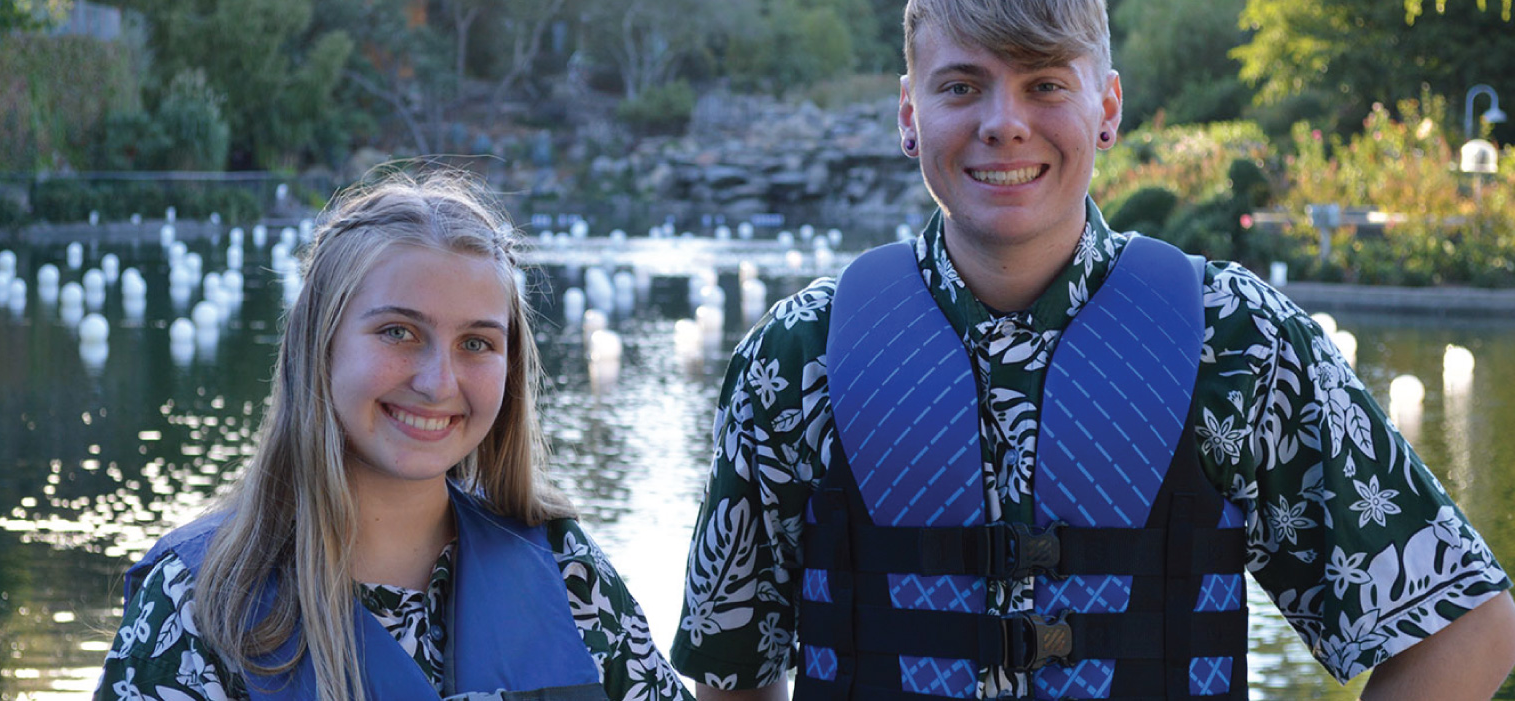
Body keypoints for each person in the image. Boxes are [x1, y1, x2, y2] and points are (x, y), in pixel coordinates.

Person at [669, 0, 1515, 699]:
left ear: (1106, 109)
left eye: (1044, 84)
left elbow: (1469, 624)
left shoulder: (1237, 341)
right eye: (962, 85)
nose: (1004, 124)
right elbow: (725, 671)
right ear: (908, 113)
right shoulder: (795, 356)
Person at [96, 171, 692, 701]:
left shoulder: (567, 575)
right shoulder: (200, 601)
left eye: (477, 343)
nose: (438, 383)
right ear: (319, 347)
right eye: (398, 332)